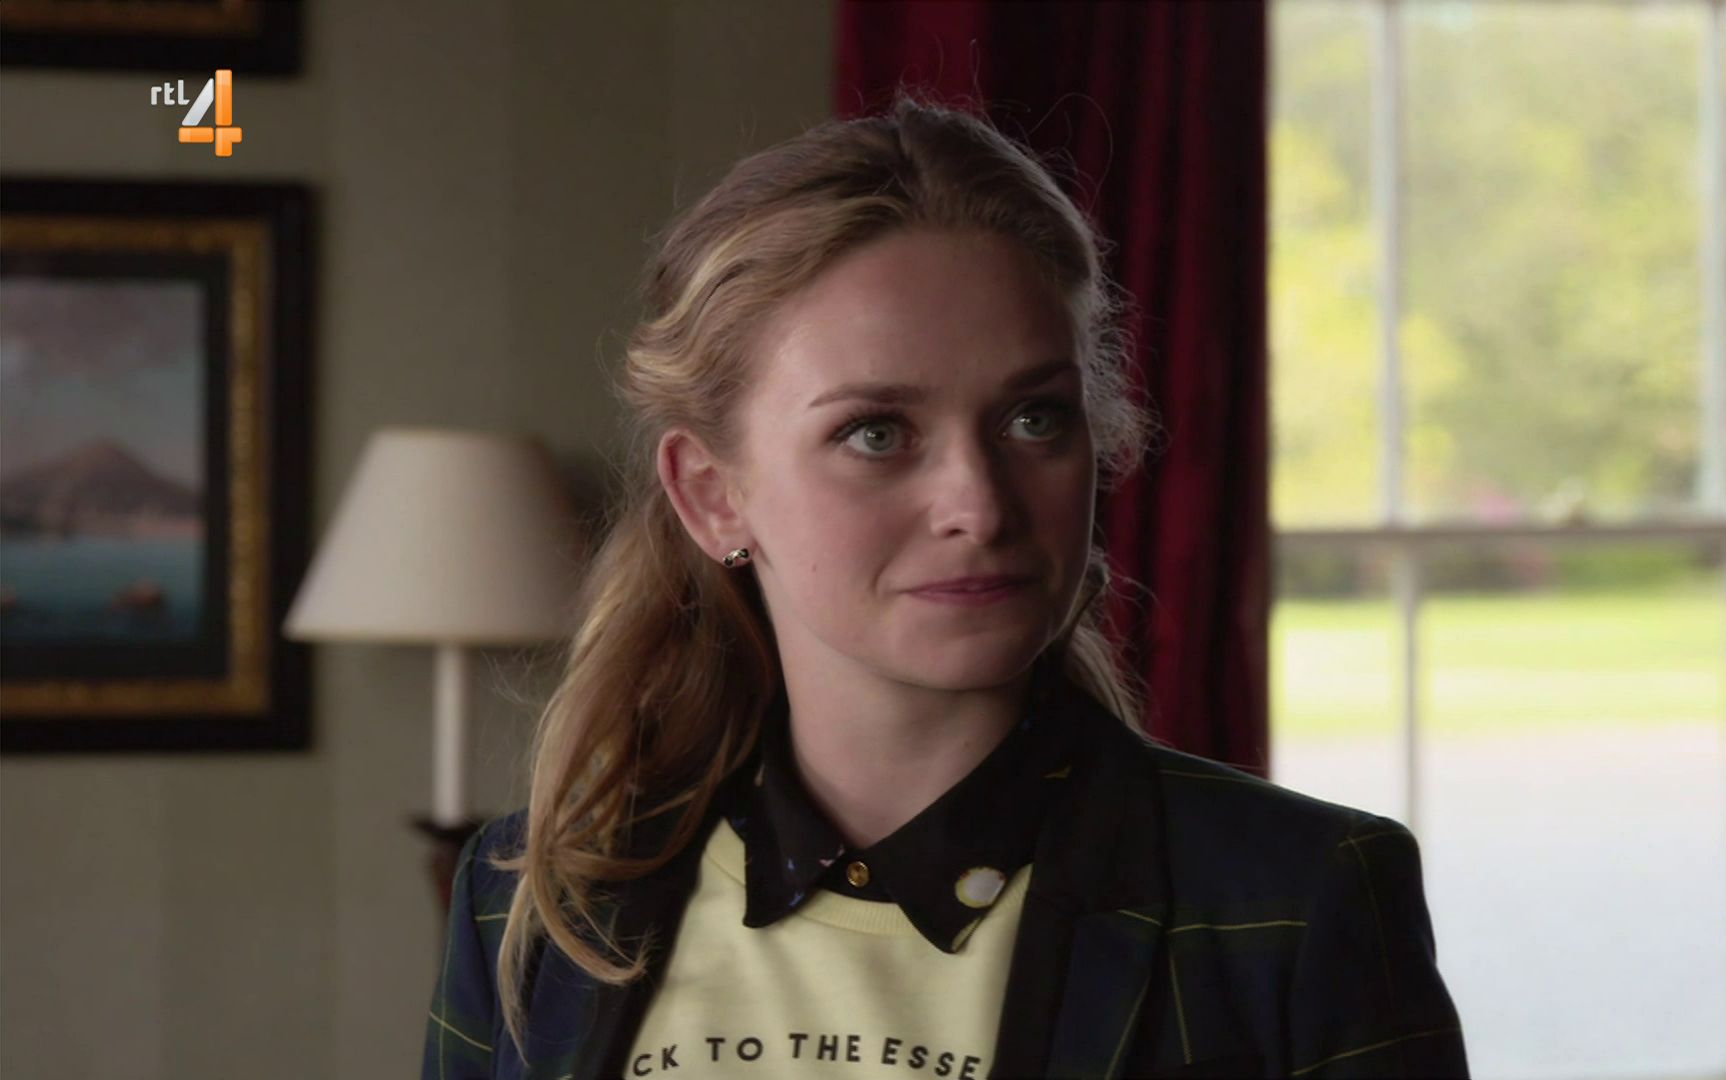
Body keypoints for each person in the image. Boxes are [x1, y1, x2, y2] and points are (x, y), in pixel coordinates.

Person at [422, 92, 1469, 1080]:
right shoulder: (535, 897)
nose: (980, 503)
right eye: (876, 433)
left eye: (1034, 419)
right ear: (712, 494)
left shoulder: (1297, 902)